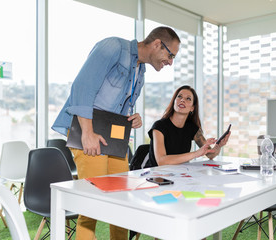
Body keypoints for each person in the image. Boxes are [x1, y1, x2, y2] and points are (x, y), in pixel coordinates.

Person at [51, 26, 180, 240]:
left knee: (123, 200)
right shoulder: (113, 47)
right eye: (170, 55)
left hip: (114, 142)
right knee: (91, 203)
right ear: (157, 44)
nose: (170, 62)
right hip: (89, 134)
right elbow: (82, 87)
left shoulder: (141, 71)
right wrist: (88, 133)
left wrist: (132, 116)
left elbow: (116, 108)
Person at [146, 85, 230, 167]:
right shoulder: (159, 126)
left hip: (179, 174)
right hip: (157, 176)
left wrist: (218, 146)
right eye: (179, 97)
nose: (182, 100)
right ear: (174, 101)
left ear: (192, 108)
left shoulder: (192, 128)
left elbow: (209, 154)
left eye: (188, 99)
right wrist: (196, 153)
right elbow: (162, 161)